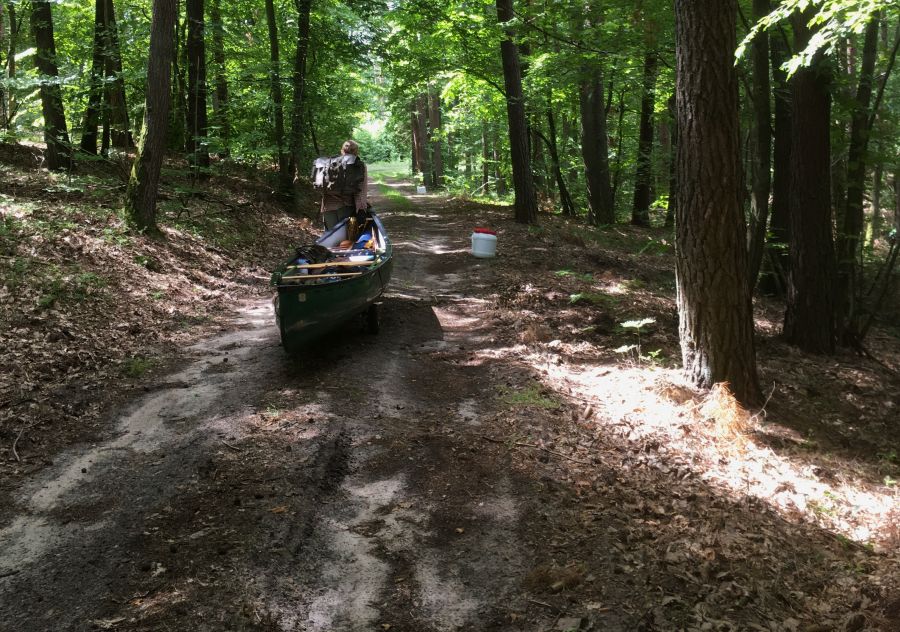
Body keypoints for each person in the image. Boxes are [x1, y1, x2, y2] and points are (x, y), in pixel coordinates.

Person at [321, 139, 368, 229]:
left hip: (327, 207)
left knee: (331, 238)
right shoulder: (358, 165)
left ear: (342, 150)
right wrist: (361, 210)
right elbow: (361, 190)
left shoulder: (330, 162)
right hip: (346, 207)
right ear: (356, 151)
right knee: (345, 239)